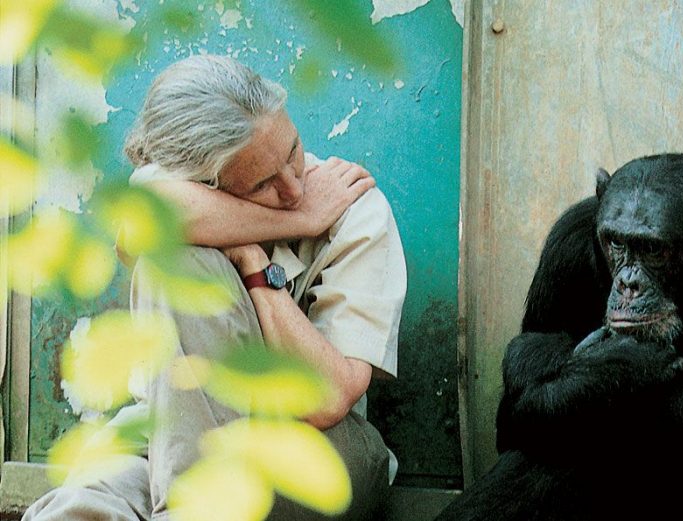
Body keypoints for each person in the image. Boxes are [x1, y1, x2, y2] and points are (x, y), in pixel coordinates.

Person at [23, 55, 407, 520]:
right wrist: (294, 223)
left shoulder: (354, 207)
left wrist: (256, 268)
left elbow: (327, 400)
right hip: (172, 440)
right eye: (262, 183)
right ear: (206, 183)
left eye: (293, 151)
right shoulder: (177, 191)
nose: (294, 189)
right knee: (75, 508)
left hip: (318, 452)